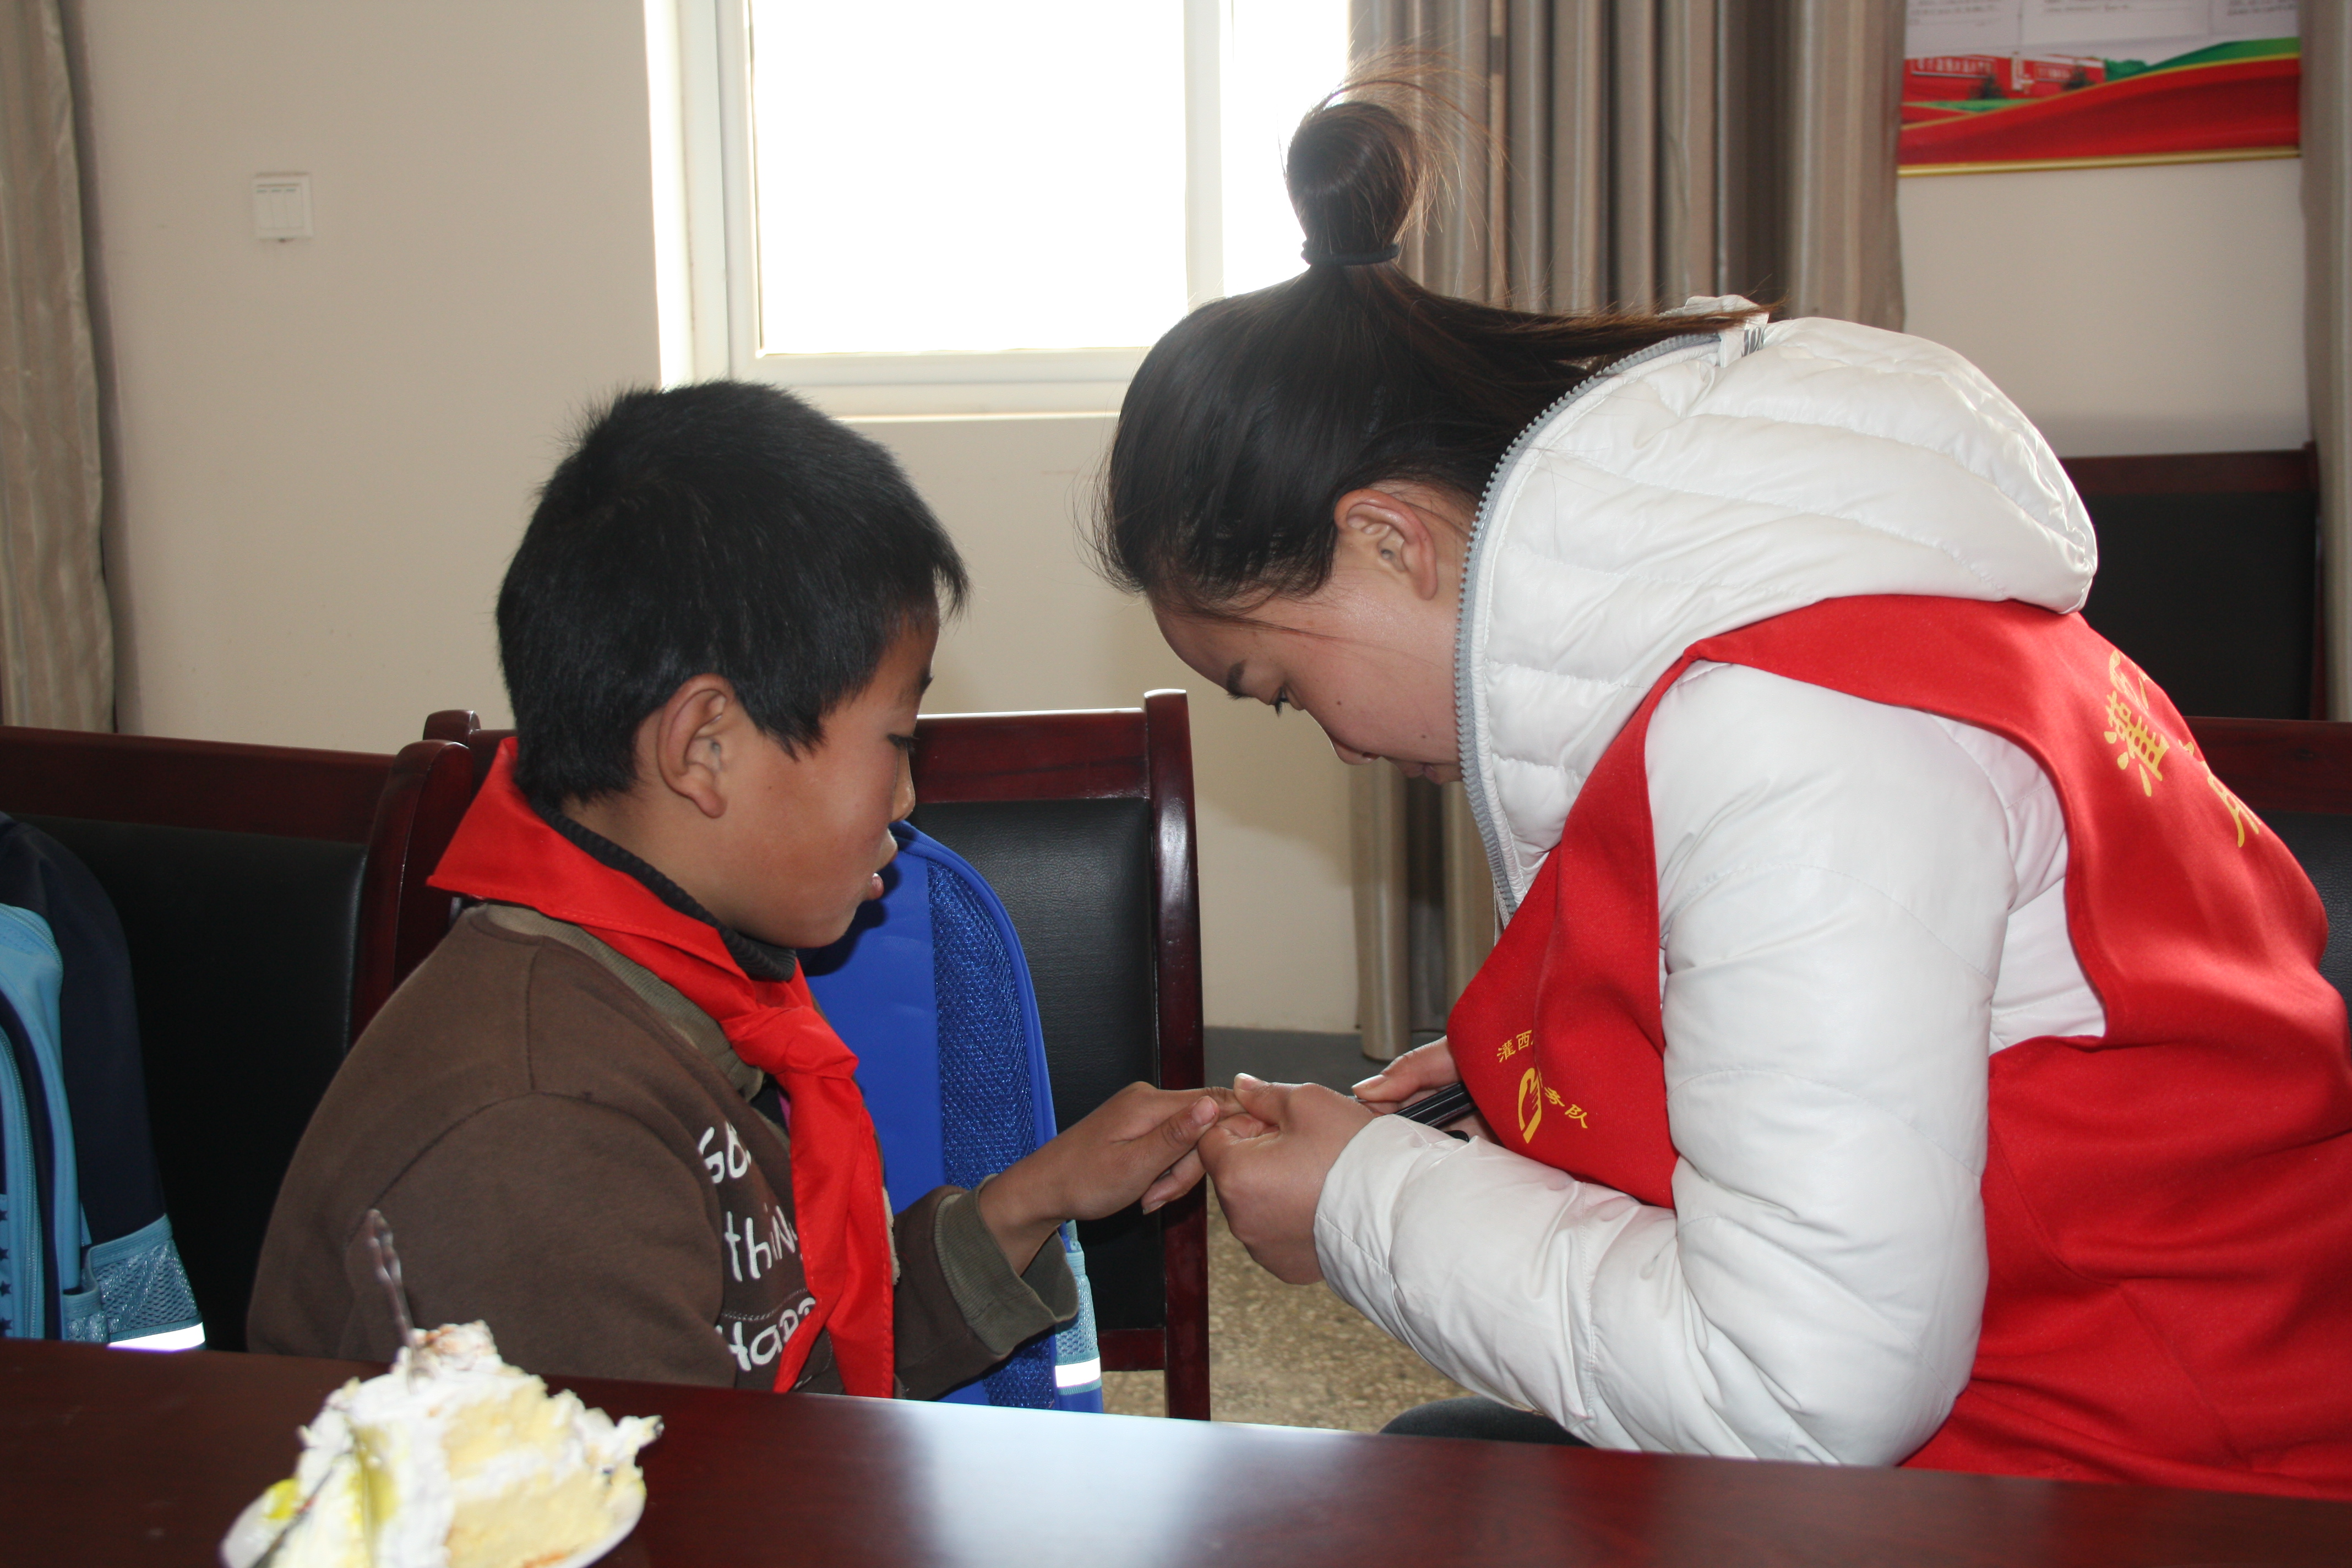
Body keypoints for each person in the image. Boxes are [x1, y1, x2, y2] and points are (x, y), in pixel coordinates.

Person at [1096, 92, 2352, 1495]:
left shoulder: (1791, 733)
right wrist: (1590, 1061)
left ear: (1390, 539)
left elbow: (1799, 1396)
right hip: (2103, 1388)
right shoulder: (1808, 597)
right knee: (1433, 1464)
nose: (1330, 743)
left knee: (1402, 1495)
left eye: (1275, 683)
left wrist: (1359, 1206)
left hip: (2176, 1484)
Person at [251, 382, 1231, 1395]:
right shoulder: (540, 1140)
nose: (905, 800)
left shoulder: (655, 1003)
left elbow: (791, 1368)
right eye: (897, 741)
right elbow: (698, 1480)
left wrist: (1034, 1198)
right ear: (704, 748)